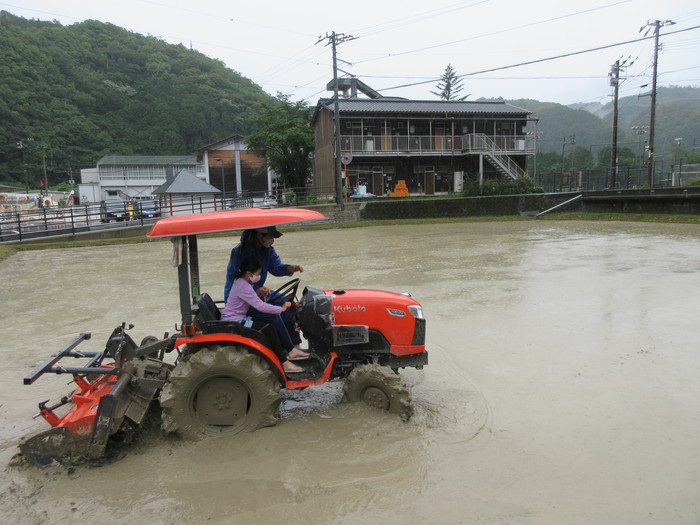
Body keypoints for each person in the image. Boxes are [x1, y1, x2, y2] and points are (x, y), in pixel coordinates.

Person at [221, 257, 309, 373]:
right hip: (235, 322)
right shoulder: (244, 286)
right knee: (270, 328)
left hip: (237, 318)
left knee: (271, 321)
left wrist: (258, 292)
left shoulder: (242, 282)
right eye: (258, 274)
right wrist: (282, 308)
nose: (259, 276)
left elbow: (248, 298)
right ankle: (284, 362)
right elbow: (261, 306)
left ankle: (291, 350)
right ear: (249, 273)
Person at [224, 226, 305, 349]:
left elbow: (276, 267)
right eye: (270, 236)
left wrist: (289, 268)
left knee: (289, 303)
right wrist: (257, 291)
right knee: (275, 313)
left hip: (257, 290)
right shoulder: (240, 253)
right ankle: (289, 349)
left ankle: (294, 343)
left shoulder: (267, 250)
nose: (272, 240)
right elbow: (243, 279)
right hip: (242, 297)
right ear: (258, 235)